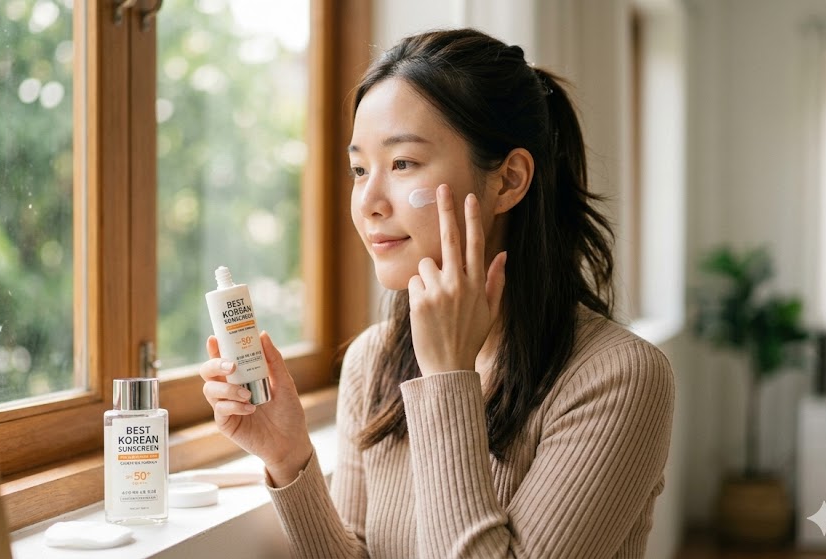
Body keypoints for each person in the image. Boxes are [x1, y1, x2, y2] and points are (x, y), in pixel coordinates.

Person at [199, 28, 675, 559]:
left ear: (509, 180)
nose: (370, 202)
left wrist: (449, 378)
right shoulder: (372, 361)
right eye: (360, 169)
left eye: (402, 163)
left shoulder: (619, 376)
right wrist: (288, 456)